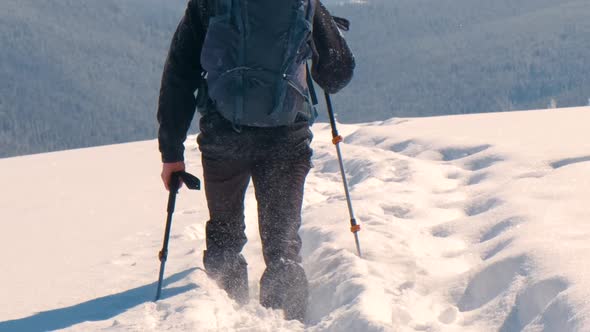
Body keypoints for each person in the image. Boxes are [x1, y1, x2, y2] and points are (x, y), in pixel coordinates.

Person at [157, 0, 354, 322]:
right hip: (286, 138)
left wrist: (171, 154)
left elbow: (179, 75)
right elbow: (337, 75)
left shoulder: (208, 3)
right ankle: (288, 321)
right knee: (283, 245)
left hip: (223, 138)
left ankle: (223, 316)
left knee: (224, 232)